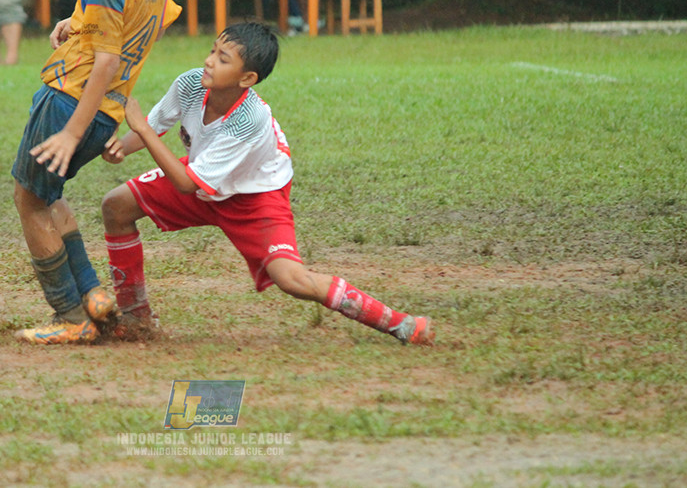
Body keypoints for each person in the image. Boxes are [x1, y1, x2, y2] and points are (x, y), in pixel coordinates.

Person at [99, 22, 435, 346]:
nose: (209, 60)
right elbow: (156, 126)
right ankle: (136, 318)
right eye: (213, 50)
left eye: (222, 58)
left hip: (255, 196)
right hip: (207, 175)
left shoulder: (249, 119)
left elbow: (184, 180)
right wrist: (121, 148)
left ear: (247, 79)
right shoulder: (191, 84)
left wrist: (142, 129)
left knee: (291, 279)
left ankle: (401, 324)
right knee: (116, 206)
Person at [12, 0, 181, 346]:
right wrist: (81, 22)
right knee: (50, 194)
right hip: (108, 111)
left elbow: (106, 61)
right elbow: (146, 29)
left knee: (29, 199)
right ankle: (92, 294)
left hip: (70, 102)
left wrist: (70, 132)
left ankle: (70, 315)